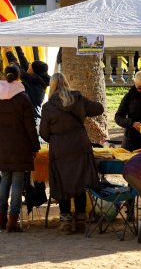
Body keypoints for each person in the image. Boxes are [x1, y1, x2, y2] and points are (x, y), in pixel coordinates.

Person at [40, 72, 104, 234]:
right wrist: (83, 108)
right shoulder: (78, 99)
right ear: (66, 83)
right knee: (80, 182)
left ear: (52, 86)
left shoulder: (48, 107)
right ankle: (81, 221)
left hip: (60, 147)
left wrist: (55, 138)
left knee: (63, 182)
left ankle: (66, 222)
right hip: (79, 144)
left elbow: (43, 133)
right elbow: (99, 108)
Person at [0, 64, 40, 232]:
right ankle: (12, 221)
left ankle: (1, 218)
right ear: (18, 77)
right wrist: (35, 145)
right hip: (20, 146)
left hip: (1, 144)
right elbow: (30, 126)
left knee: (5, 181)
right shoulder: (23, 98)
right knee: (17, 183)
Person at [4, 46, 50, 131]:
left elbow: (17, 69)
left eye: (30, 66)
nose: (28, 66)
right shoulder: (36, 79)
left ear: (34, 71)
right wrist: (17, 46)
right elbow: (24, 63)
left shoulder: (33, 82)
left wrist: (9, 52)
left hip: (31, 121)